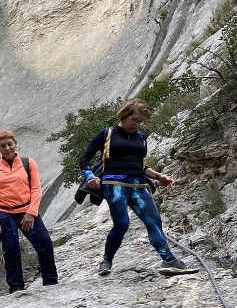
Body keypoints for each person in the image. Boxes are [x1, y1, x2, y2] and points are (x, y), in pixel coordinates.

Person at [80, 99, 198, 275]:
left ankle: (168, 260)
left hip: (138, 183)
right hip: (114, 183)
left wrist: (159, 177)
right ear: (124, 116)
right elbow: (84, 159)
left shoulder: (141, 138)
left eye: (140, 121)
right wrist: (90, 176)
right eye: (134, 120)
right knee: (122, 223)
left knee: (154, 221)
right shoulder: (107, 133)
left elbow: (141, 166)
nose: (137, 124)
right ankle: (106, 261)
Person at [0, 130, 58, 293]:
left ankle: (51, 282)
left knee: (44, 244)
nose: (7, 148)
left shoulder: (28, 162)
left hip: (26, 210)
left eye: (10, 144)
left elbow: (36, 188)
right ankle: (16, 288)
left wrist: (32, 212)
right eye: (3, 146)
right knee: (11, 249)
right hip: (3, 213)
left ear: (16, 144)